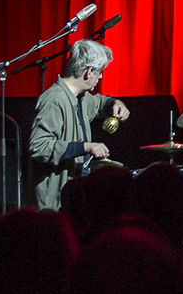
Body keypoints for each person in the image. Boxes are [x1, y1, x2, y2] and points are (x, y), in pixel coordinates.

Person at [29, 39, 130, 210]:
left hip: (72, 197)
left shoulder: (80, 98)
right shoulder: (55, 100)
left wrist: (115, 103)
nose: (101, 76)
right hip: (53, 206)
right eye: (99, 72)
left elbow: (99, 103)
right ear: (88, 72)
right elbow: (38, 146)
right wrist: (86, 147)